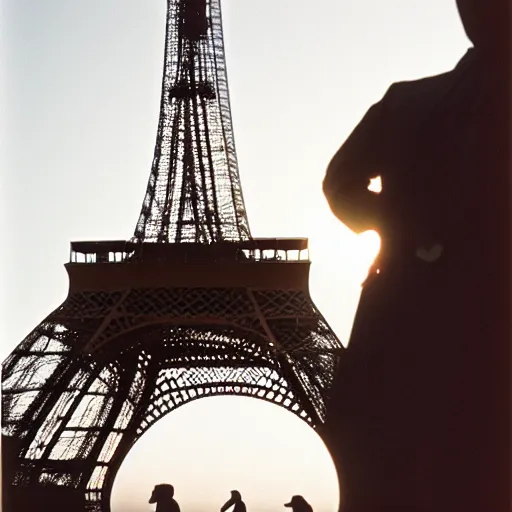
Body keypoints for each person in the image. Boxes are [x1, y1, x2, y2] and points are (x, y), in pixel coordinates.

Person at [321, 1, 510, 511]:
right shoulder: (409, 102)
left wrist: (403, 224)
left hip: (403, 322)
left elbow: (339, 183)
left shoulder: (405, 102)